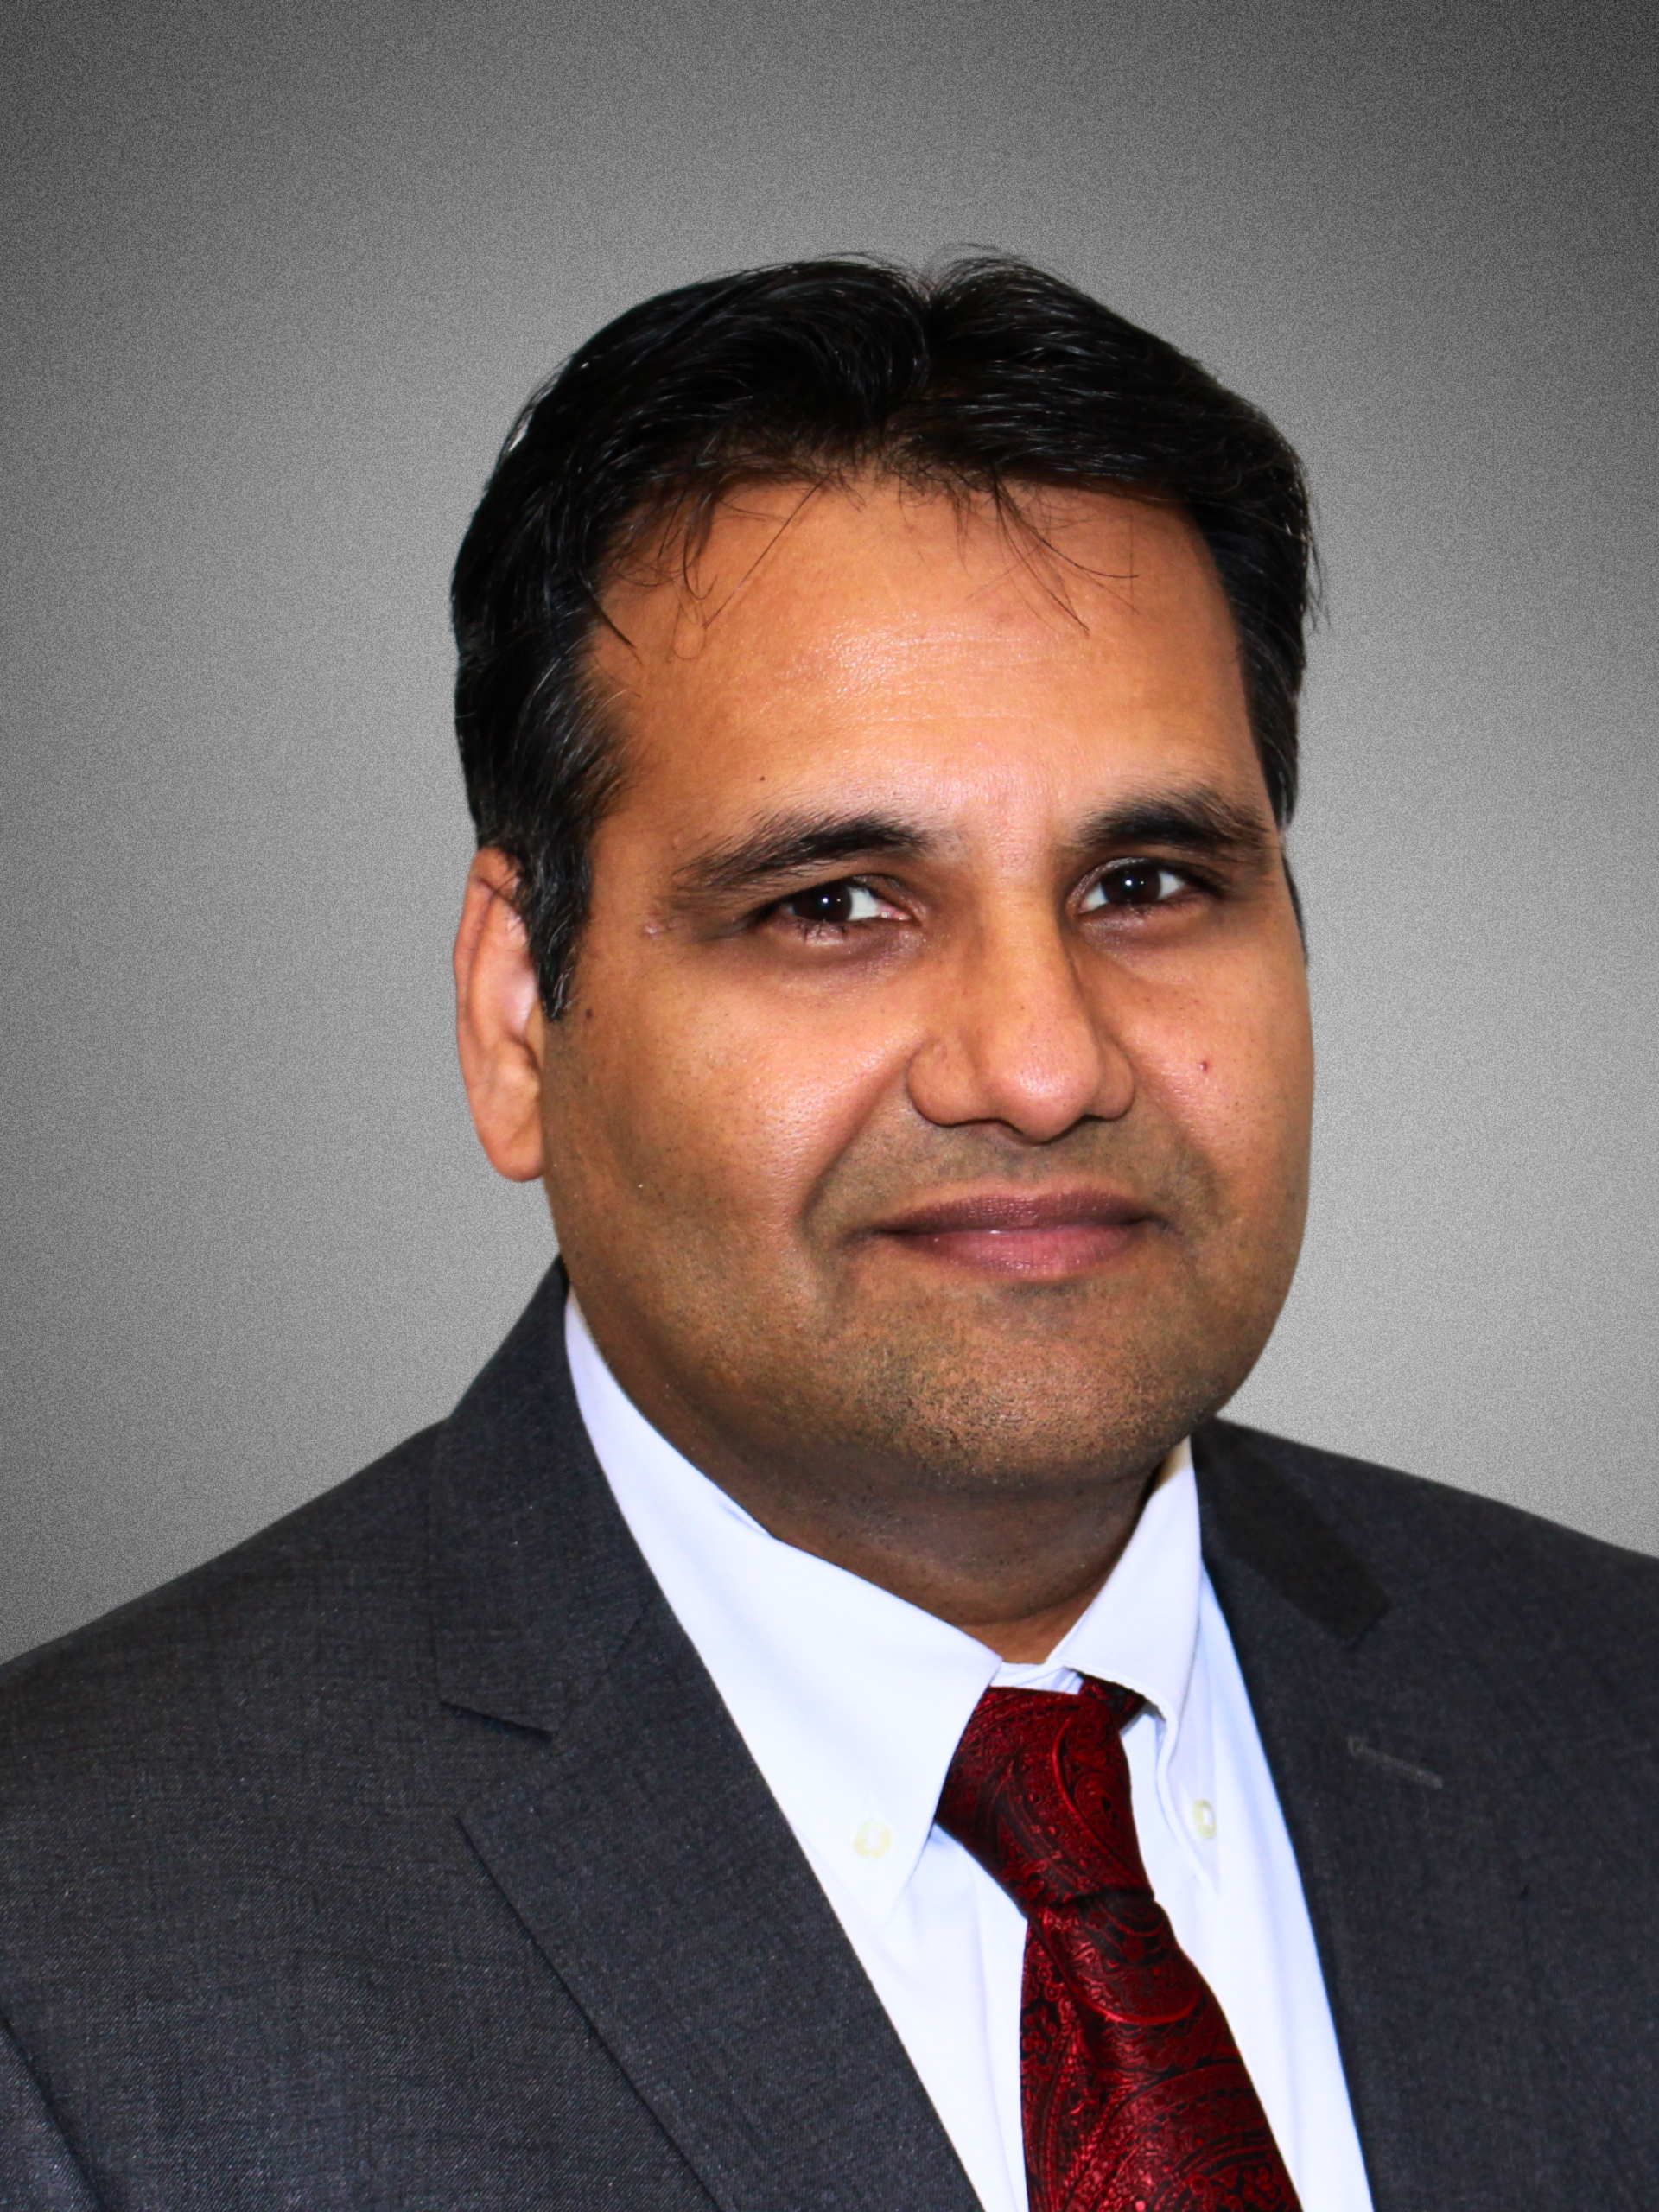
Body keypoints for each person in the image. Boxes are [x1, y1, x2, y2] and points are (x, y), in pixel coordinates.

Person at [0, 257, 1652, 2212]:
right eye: (838, 904)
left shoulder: (1614, 1725)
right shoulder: (72, 1960)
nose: (1042, 1064)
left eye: (1146, 879)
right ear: (519, 1012)